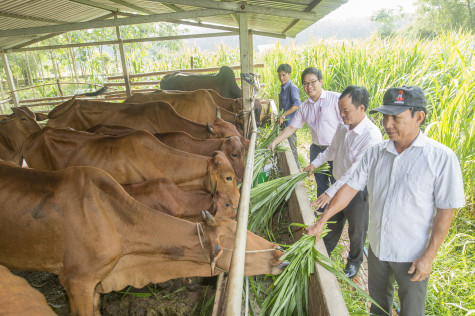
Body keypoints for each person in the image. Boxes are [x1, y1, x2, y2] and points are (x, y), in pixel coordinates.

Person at [306, 86, 465, 316]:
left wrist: (428, 257)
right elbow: (349, 188)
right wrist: (322, 222)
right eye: (385, 116)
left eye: (396, 118)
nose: (387, 124)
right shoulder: (376, 153)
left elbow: (445, 211)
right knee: (378, 306)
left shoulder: (440, 158)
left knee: (411, 311)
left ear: (418, 117)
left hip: (412, 255)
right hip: (379, 249)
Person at [303, 85, 382, 279]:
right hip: (338, 183)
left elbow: (354, 175)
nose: (342, 115)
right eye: (340, 110)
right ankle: (324, 253)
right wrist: (314, 164)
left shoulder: (371, 137)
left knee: (357, 230)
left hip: (358, 191)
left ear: (361, 108)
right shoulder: (342, 125)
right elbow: (331, 150)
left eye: (346, 111)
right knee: (331, 223)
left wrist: (330, 193)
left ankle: (354, 261)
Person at [269, 67, 341, 212]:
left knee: (337, 183)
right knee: (321, 183)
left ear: (321, 81)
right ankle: (321, 212)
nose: (309, 87)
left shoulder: (335, 99)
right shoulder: (304, 107)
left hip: (335, 149)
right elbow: (291, 128)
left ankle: (336, 213)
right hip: (316, 149)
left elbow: (346, 124)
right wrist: (275, 141)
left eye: (313, 82)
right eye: (305, 84)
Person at [276, 64, 302, 168]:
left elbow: (297, 105)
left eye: (284, 75)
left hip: (290, 123)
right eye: (279, 75)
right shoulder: (283, 87)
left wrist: (283, 115)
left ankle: (297, 168)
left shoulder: (292, 88)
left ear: (289, 74)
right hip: (284, 123)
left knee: (292, 146)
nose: (281, 78)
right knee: (286, 144)